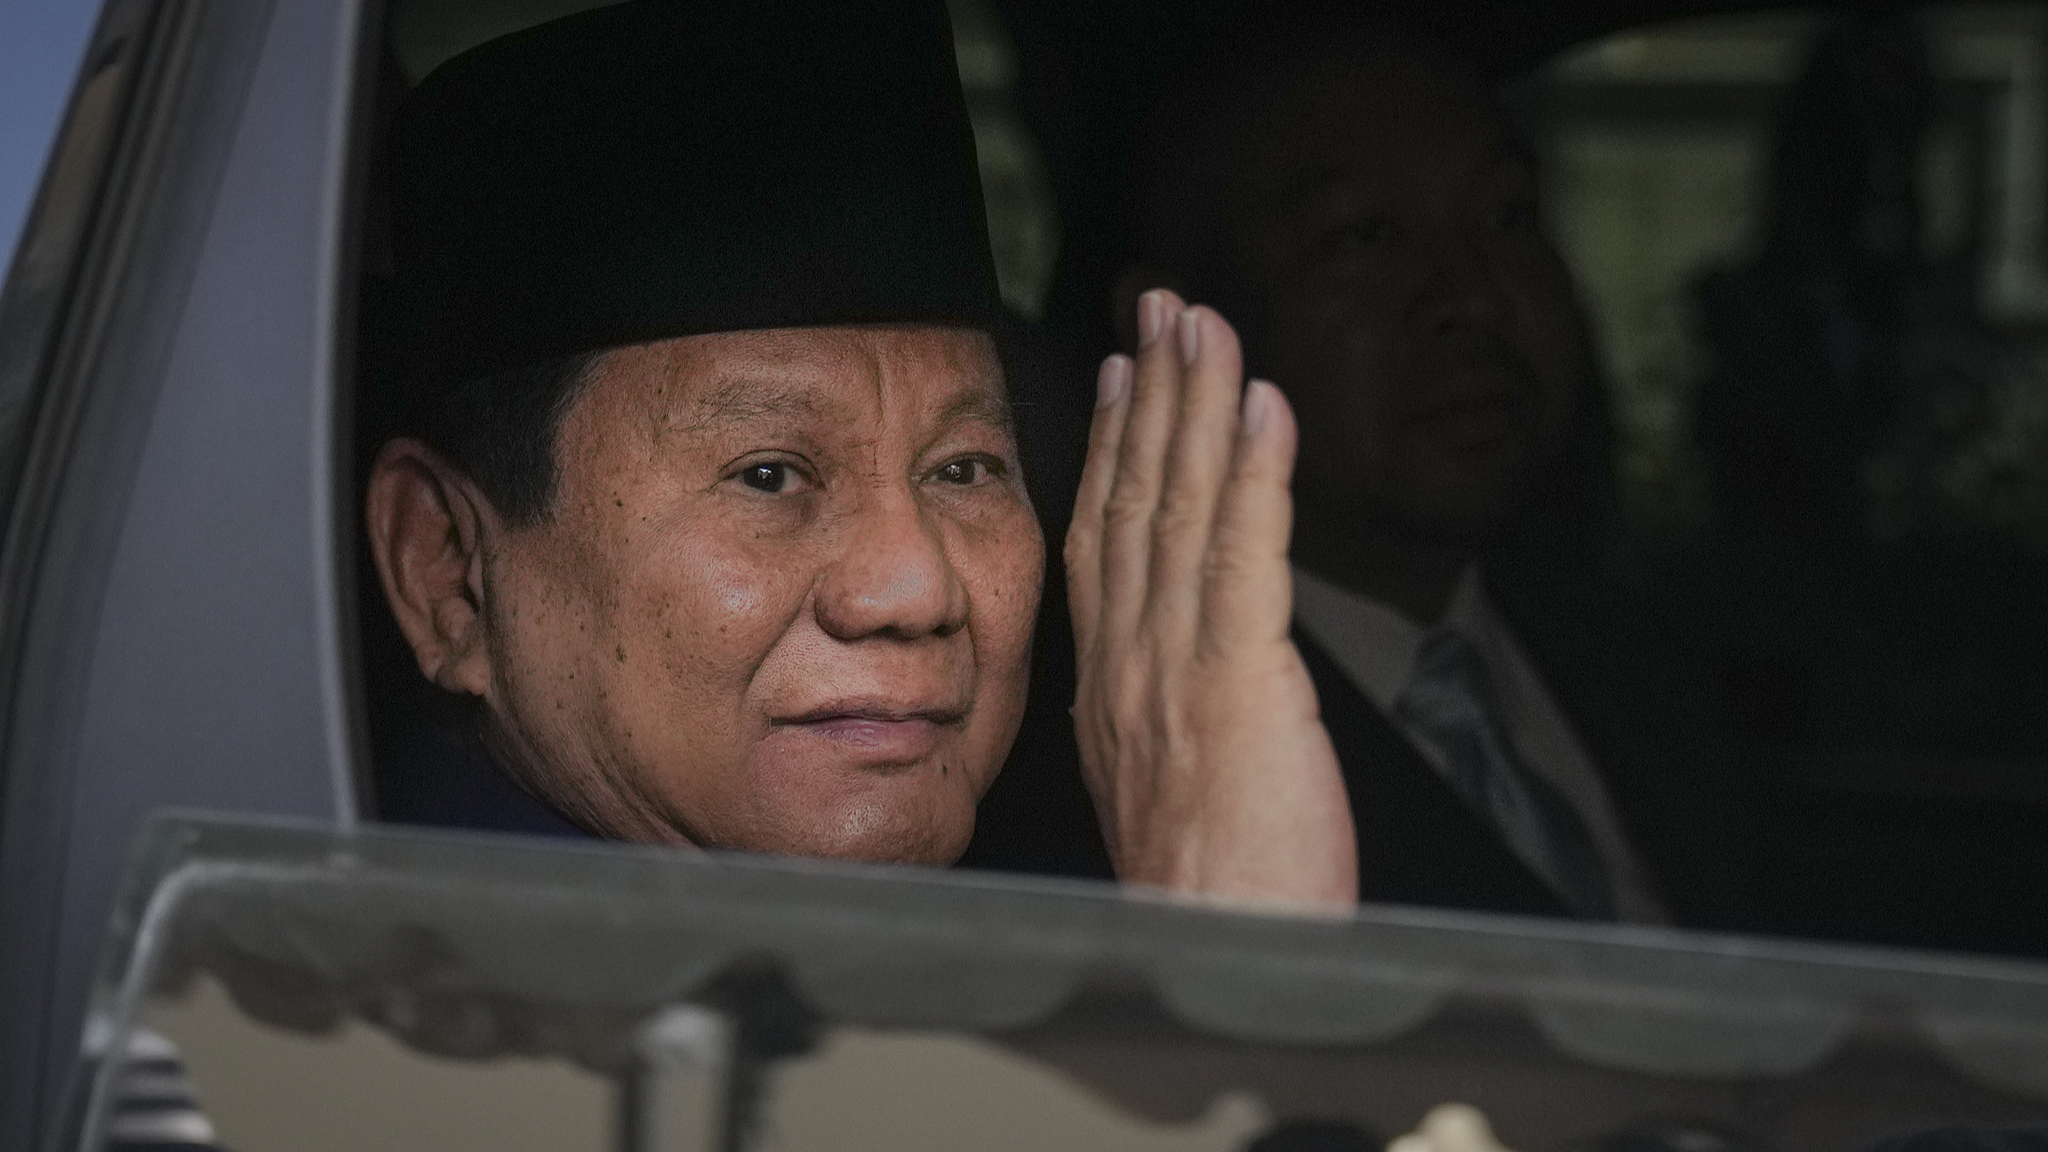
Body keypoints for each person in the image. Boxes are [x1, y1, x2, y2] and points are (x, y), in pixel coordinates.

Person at [1026, 21, 1754, 920]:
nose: (1474, 296)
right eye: (1364, 236)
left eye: (1507, 216)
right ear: (1174, 328)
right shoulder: (1111, 748)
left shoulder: (1630, 663)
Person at [359, 0, 1043, 867]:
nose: (915, 591)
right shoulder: (379, 983)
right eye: (768, 476)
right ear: (448, 570)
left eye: (964, 469)